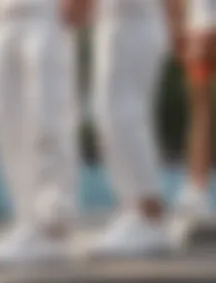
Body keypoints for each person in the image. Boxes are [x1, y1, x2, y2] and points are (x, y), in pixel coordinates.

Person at [0, 0, 84, 269]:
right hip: (2, 19)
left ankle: (52, 227)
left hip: (46, 13)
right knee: (9, 128)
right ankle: (27, 223)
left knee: (47, 118)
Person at [82, 0, 173, 256]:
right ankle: (134, 206)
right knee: (110, 113)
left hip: (133, 17)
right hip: (118, 18)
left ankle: (148, 213)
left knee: (124, 113)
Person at [173, 0, 216, 225]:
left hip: (204, 27)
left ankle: (197, 191)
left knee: (201, 113)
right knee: (200, 111)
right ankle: (197, 191)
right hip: (200, 26)